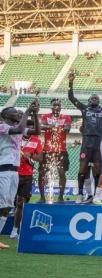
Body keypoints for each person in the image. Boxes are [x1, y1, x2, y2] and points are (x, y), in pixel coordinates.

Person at [0, 101, 38, 249]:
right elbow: (21, 128)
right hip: (3, 170)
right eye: (14, 111)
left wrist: (34, 113)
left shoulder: (16, 128)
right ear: (5, 115)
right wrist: (28, 110)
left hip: (14, 172)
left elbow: (36, 132)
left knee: (7, 206)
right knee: (1, 205)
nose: (17, 113)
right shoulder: (2, 126)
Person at [67, 72, 102, 203]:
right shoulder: (84, 109)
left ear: (99, 101)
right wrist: (71, 83)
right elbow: (71, 97)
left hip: (98, 144)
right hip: (86, 143)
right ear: (88, 101)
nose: (94, 98)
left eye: (96, 98)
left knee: (97, 171)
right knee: (82, 169)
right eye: (92, 98)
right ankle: (81, 193)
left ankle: (95, 195)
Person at [10, 119, 43, 239]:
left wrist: (31, 156)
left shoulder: (36, 141)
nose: (30, 131)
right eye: (28, 128)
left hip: (27, 175)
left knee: (21, 203)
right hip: (13, 173)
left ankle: (15, 231)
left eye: (32, 128)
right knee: (7, 203)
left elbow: (40, 159)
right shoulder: (15, 138)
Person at [38, 98, 72, 203]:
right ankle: (42, 197)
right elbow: (41, 126)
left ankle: (60, 197)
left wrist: (54, 126)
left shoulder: (66, 117)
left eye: (58, 105)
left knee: (62, 173)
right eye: (54, 105)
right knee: (42, 173)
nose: (56, 107)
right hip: (47, 149)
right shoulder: (45, 116)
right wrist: (52, 126)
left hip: (61, 149)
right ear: (51, 107)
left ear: (61, 107)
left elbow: (67, 128)